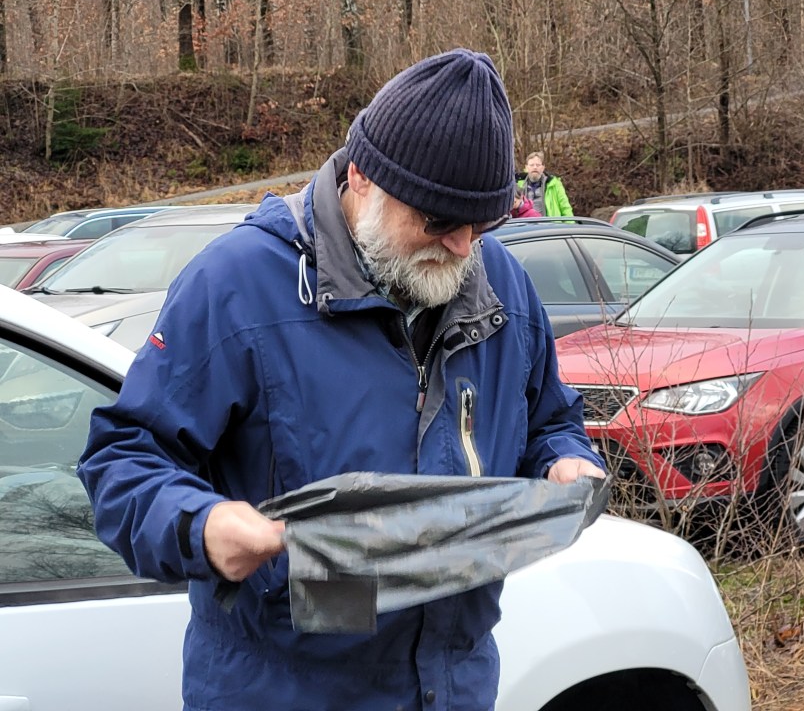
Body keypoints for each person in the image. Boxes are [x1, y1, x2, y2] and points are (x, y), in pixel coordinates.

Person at [77, 48, 606, 711]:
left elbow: (550, 420)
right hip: (282, 691)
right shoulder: (237, 287)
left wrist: (564, 459)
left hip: (453, 689)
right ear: (361, 177)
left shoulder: (504, 288)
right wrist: (200, 526)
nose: (463, 247)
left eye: (480, 224)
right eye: (438, 221)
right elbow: (124, 458)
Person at [517, 150, 574, 216]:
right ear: (526, 167)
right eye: (532, 165)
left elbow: (565, 208)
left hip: (549, 222)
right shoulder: (517, 185)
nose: (535, 167)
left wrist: (570, 222)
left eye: (538, 165)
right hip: (525, 222)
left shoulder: (554, 184)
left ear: (543, 167)